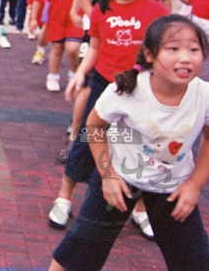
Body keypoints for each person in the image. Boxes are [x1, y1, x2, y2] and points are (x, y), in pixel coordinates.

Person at [49, 15, 209, 271]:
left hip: (173, 187)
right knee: (80, 251)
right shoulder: (127, 89)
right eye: (173, 49)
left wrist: (194, 185)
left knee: (195, 260)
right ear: (149, 54)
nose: (185, 58)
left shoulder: (203, 94)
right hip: (120, 181)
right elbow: (95, 126)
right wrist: (108, 175)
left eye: (194, 49)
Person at [49, 0, 168, 235]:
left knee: (141, 145)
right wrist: (79, 73)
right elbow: (94, 48)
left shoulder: (157, 11)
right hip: (106, 85)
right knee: (88, 139)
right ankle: (64, 197)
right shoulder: (100, 10)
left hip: (142, 88)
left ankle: (140, 210)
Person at [29, 0, 82, 92]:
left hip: (75, 20)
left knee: (73, 48)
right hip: (56, 20)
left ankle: (74, 74)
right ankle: (53, 76)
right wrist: (34, 18)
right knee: (57, 48)